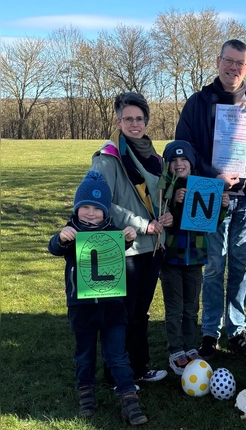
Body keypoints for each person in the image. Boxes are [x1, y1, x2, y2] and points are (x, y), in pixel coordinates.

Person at [175, 39, 246, 359]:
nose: (234, 68)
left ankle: (236, 329)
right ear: (218, 61)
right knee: (212, 266)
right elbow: (184, 149)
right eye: (229, 61)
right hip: (208, 192)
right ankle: (210, 332)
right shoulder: (198, 102)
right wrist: (213, 177)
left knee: (240, 263)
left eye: (240, 63)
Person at [47, 170, 147, 425]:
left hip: (113, 306)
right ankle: (86, 393)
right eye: (85, 207)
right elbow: (54, 247)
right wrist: (60, 238)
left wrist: (127, 239)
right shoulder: (71, 234)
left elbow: (117, 250)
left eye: (97, 208)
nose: (91, 213)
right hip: (81, 307)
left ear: (106, 211)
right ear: (77, 208)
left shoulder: (112, 232)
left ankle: (128, 398)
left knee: (117, 354)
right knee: (84, 354)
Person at [90, 92, 171, 383]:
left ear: (146, 121)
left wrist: (166, 215)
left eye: (139, 118)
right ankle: (116, 374)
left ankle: (138, 368)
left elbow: (158, 197)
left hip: (153, 249)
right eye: (128, 119)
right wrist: (143, 224)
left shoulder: (154, 157)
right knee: (120, 315)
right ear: (118, 121)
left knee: (141, 313)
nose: (134, 124)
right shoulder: (107, 158)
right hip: (124, 247)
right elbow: (102, 203)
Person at [159, 140, 230, 374]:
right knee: (174, 307)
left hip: (195, 259)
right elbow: (165, 219)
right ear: (167, 165)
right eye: (174, 161)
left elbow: (209, 224)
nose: (179, 165)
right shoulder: (163, 189)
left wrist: (222, 207)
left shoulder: (203, 186)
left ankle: (191, 347)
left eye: (184, 160)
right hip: (171, 258)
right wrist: (173, 202)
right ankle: (175, 350)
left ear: (191, 162)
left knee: (191, 308)